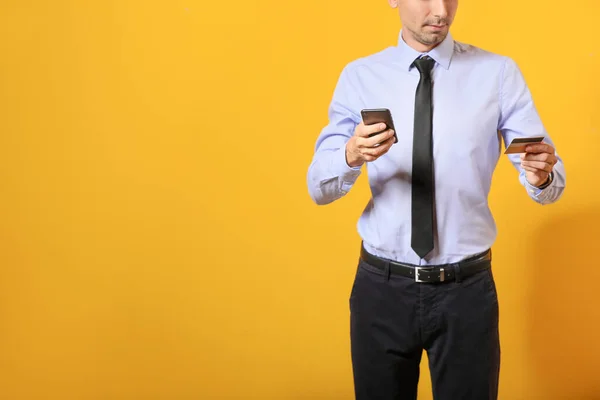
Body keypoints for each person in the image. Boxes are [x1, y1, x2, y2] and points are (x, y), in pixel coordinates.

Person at [306, 0, 566, 399]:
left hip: (466, 292)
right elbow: (318, 187)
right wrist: (350, 155)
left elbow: (548, 179)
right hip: (382, 290)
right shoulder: (361, 76)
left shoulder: (497, 73)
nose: (441, 10)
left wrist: (542, 173)